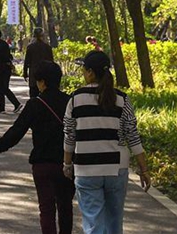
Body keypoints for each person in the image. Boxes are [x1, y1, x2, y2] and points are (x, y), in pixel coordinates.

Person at [63, 51, 151, 234]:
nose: (83, 74)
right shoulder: (122, 99)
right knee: (114, 223)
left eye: (84, 70)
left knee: (94, 225)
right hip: (116, 170)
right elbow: (132, 136)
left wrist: (67, 164)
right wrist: (144, 170)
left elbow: (70, 136)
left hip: (86, 170)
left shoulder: (75, 99)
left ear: (90, 73)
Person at [0, 60, 74, 234]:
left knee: (47, 210)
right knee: (65, 207)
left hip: (42, 165)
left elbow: (17, 131)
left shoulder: (35, 104)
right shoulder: (70, 102)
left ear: (42, 82)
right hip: (67, 163)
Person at [0, 28, 22, 114]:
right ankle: (1, 107)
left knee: (4, 88)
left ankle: (16, 103)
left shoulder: (0, 44)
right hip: (1, 69)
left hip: (3, 69)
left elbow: (3, 56)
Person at [24, 27, 54, 99]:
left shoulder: (30, 47)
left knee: (33, 96)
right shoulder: (47, 47)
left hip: (34, 75)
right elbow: (52, 62)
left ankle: (34, 109)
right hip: (45, 75)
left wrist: (25, 73)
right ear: (42, 35)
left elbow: (27, 62)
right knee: (44, 96)